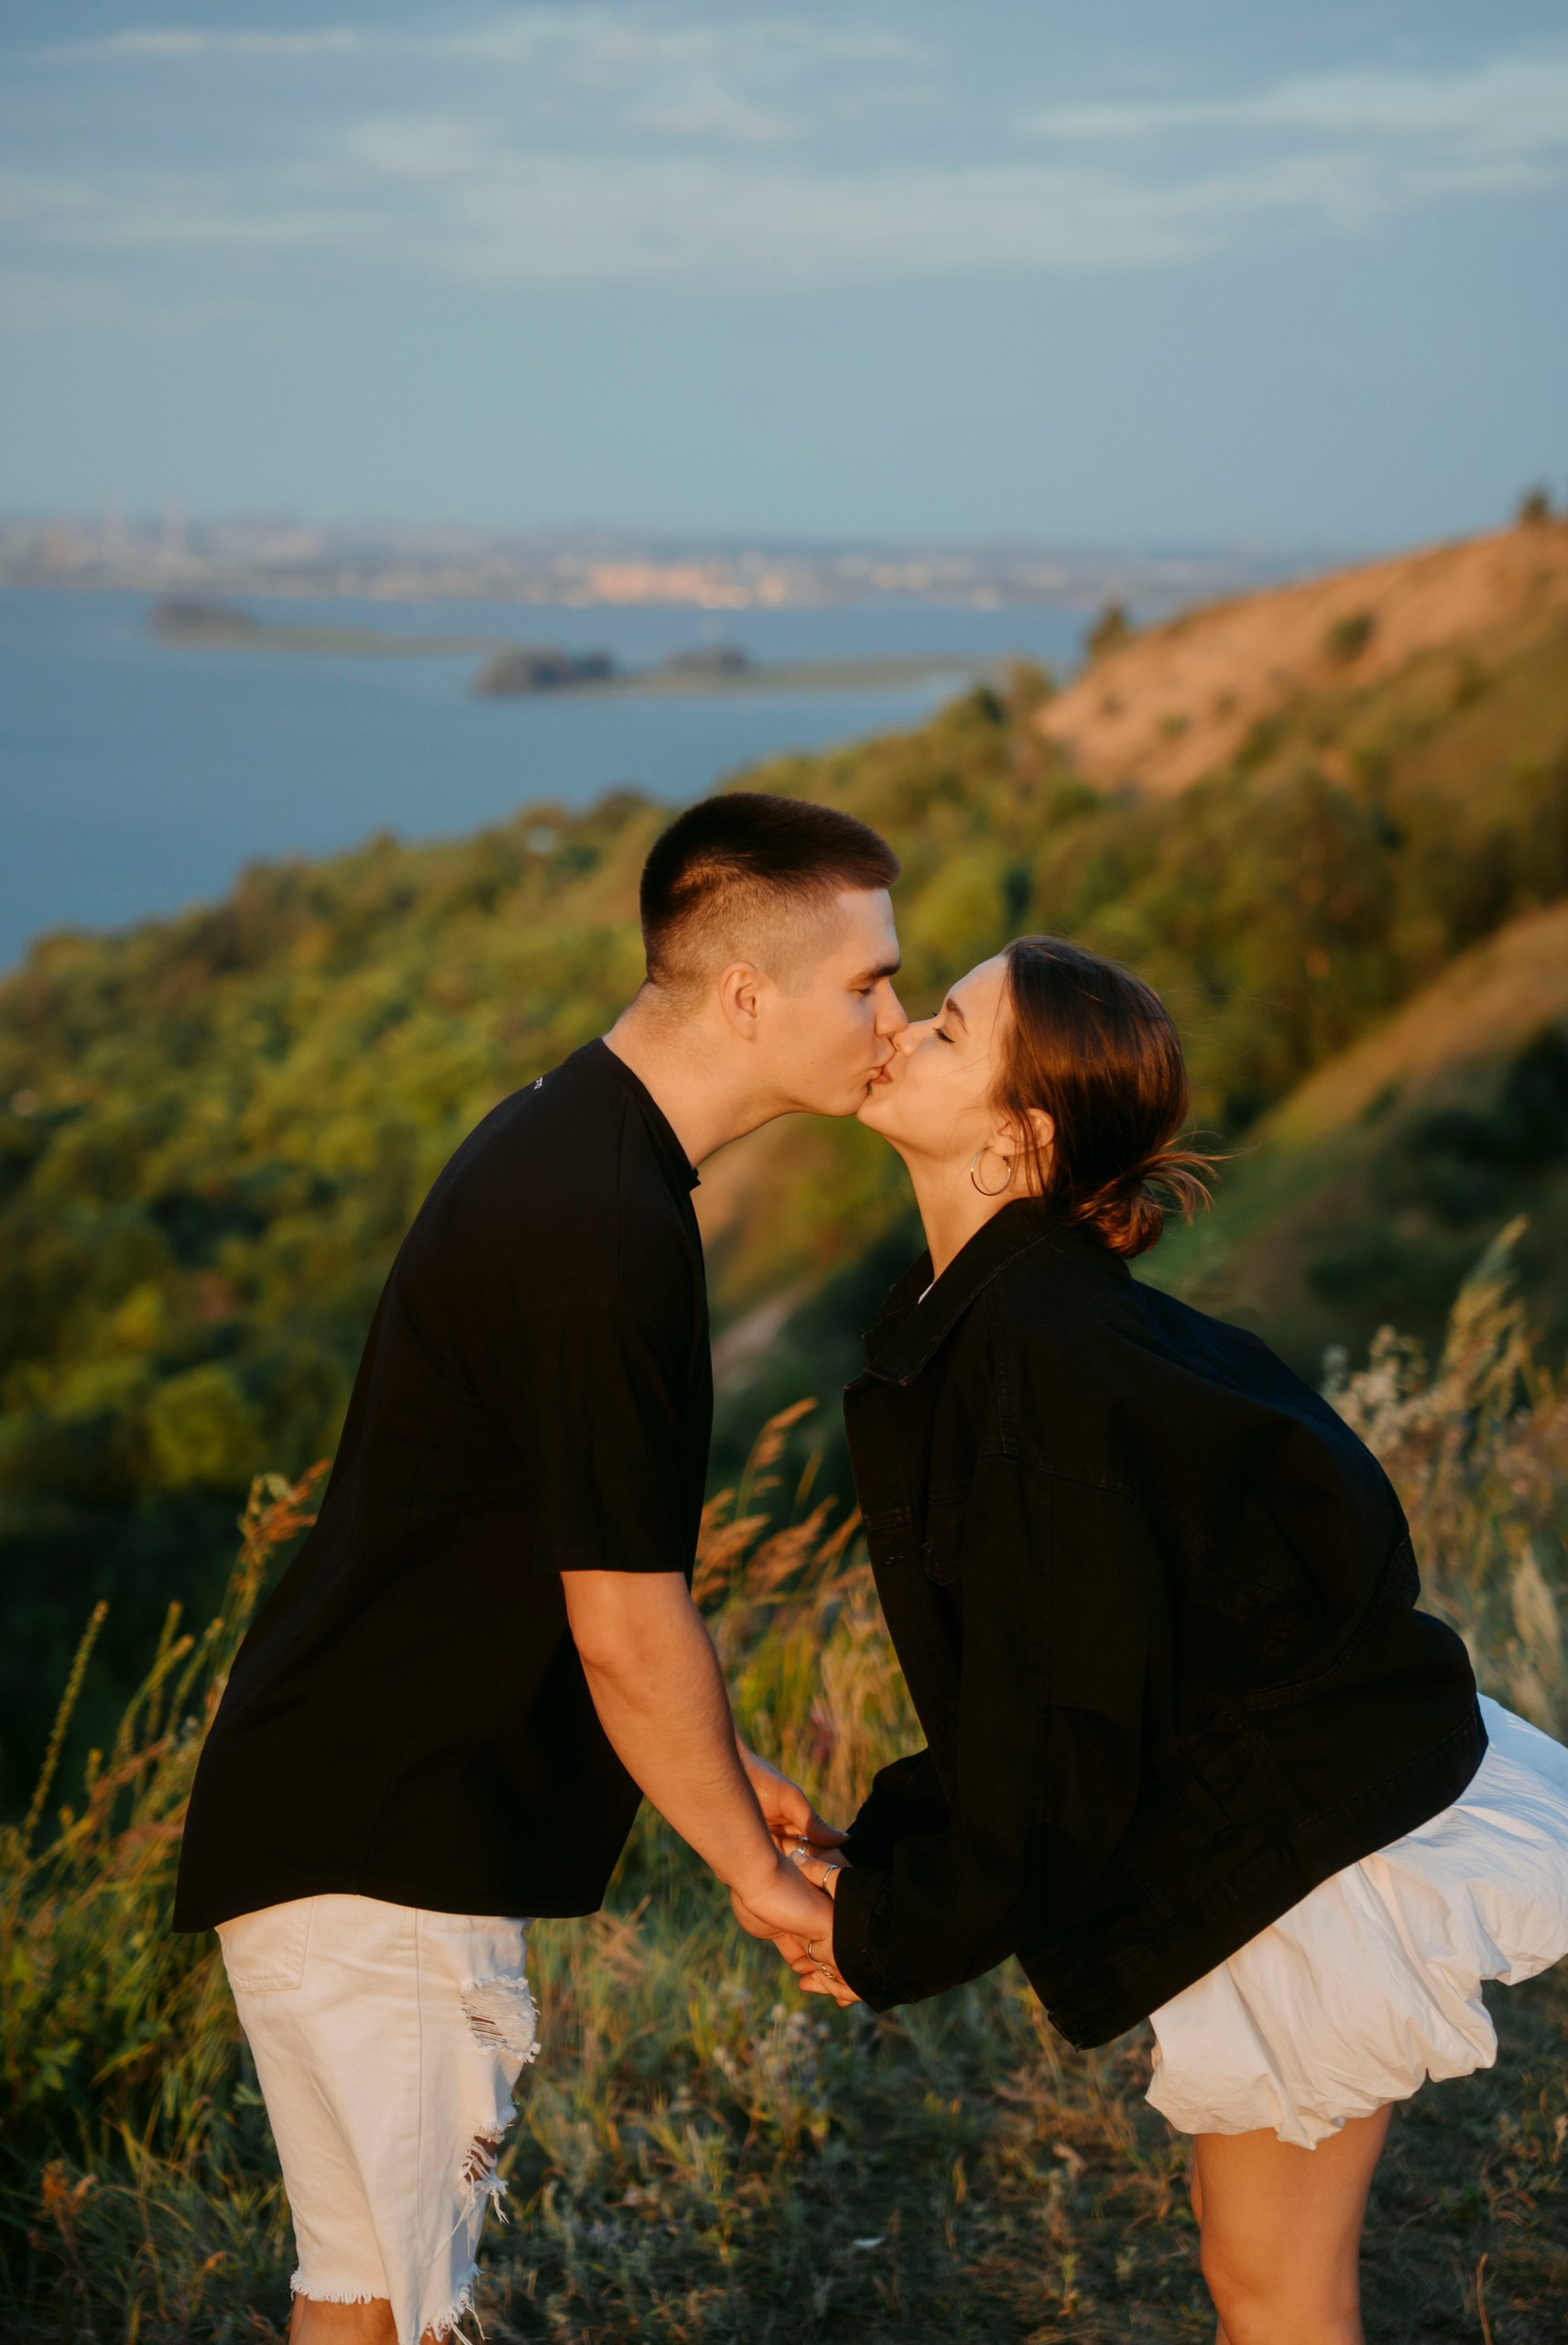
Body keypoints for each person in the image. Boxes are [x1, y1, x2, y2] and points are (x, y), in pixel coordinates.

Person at [173, 791, 909, 2345]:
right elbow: (626, 1623)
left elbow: (531, 1559)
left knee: (361, 2296)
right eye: (869, 983)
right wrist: (761, 1879)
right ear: (748, 994)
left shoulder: (574, 1145)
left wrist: (732, 1768)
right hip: (388, 1850)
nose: (893, 1021)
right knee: (410, 2314)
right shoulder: (605, 1228)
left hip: (337, 1809)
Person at [783, 935, 1568, 2345]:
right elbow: (1048, 1682)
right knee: (1251, 2268)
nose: (897, 1029)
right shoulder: (1022, 1325)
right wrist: (886, 1858)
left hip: (1312, 1853)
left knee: (1274, 2290)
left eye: (948, 1027)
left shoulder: (1039, 1360)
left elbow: (1064, 1732)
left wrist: (881, 1933)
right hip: (1289, 1812)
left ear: (1020, 1137)